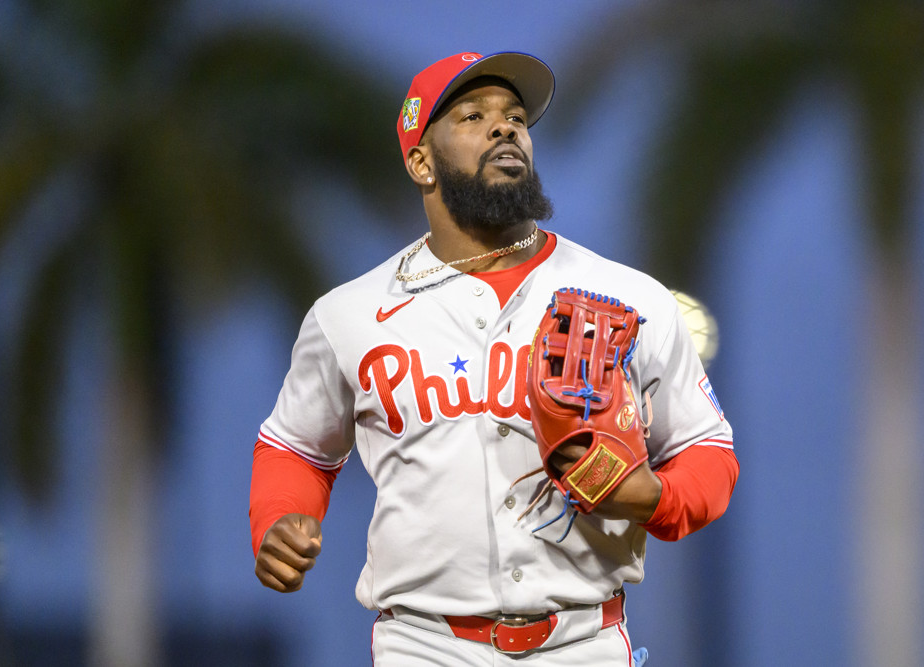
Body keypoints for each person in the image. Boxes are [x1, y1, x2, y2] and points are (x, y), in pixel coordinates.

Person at [249, 51, 739, 666]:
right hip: (425, 645)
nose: (505, 127)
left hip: (584, 642)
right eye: (473, 116)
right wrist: (279, 517)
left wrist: (654, 497)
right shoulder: (349, 314)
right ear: (421, 162)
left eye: (515, 117)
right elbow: (295, 446)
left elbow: (706, 449)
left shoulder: (629, 298)